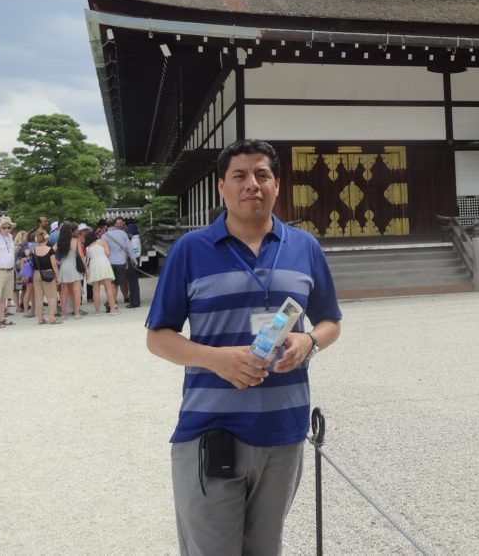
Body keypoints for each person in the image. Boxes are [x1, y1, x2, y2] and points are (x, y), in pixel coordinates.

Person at [146, 139, 343, 555]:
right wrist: (215, 359)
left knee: (265, 550)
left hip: (284, 430)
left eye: (262, 175)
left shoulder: (304, 247)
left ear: (276, 185)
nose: (251, 184)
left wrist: (309, 341)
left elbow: (330, 322)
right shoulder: (190, 250)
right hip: (211, 430)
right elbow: (157, 336)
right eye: (239, 175)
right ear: (222, 187)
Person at [104, 215, 136, 306]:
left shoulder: (104, 236)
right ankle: (113, 303)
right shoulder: (122, 233)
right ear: (114, 224)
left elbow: (103, 250)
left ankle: (111, 303)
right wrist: (134, 260)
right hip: (121, 261)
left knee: (111, 284)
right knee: (117, 284)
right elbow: (129, 248)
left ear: (106, 226)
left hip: (109, 262)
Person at [54, 222, 84, 320]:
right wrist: (86, 268)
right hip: (74, 267)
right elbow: (81, 255)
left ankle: (63, 314)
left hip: (63, 268)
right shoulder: (76, 241)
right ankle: (77, 313)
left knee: (64, 292)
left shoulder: (59, 242)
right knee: (76, 291)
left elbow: (50, 251)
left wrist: (58, 261)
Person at [30, 229, 60, 325]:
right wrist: (57, 276)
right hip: (48, 273)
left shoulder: (34, 250)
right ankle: (52, 318)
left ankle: (40, 318)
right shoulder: (49, 250)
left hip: (36, 274)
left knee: (39, 297)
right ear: (47, 238)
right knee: (51, 297)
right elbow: (54, 265)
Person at [83, 229, 117, 314]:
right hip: (104, 263)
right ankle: (113, 309)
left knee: (96, 290)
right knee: (108, 288)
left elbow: (87, 259)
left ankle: (97, 311)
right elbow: (108, 253)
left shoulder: (87, 247)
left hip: (93, 265)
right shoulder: (102, 241)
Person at [125, 222, 142, 308]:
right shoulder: (135, 239)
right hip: (134, 261)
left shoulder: (135, 240)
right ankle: (135, 301)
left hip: (133, 261)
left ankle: (134, 302)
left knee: (133, 283)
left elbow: (136, 253)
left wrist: (128, 254)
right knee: (133, 283)